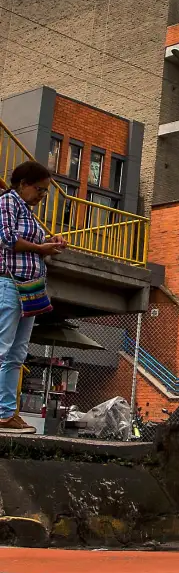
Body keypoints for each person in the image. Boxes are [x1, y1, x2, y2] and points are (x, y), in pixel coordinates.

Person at [0, 161, 66, 430]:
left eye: (45, 192)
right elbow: (7, 239)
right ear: (24, 184)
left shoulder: (27, 211)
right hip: (10, 285)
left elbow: (32, 241)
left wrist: (52, 240)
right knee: (3, 350)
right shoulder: (8, 202)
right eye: (39, 189)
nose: (42, 196)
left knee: (17, 353)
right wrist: (42, 248)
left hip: (29, 289)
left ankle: (5, 413)